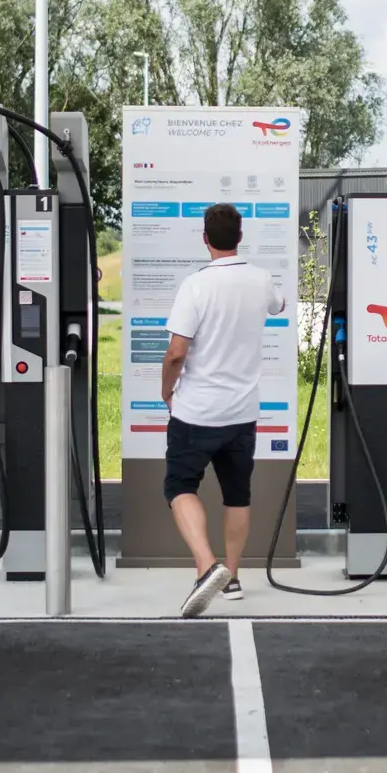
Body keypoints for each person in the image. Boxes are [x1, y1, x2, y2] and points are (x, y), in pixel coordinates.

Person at [161, 202, 286, 616]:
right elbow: (278, 305)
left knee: (179, 486)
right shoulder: (260, 279)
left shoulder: (195, 286)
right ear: (240, 237)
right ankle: (231, 576)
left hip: (196, 412)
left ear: (205, 239)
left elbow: (176, 352)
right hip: (242, 413)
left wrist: (167, 390)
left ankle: (205, 566)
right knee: (237, 495)